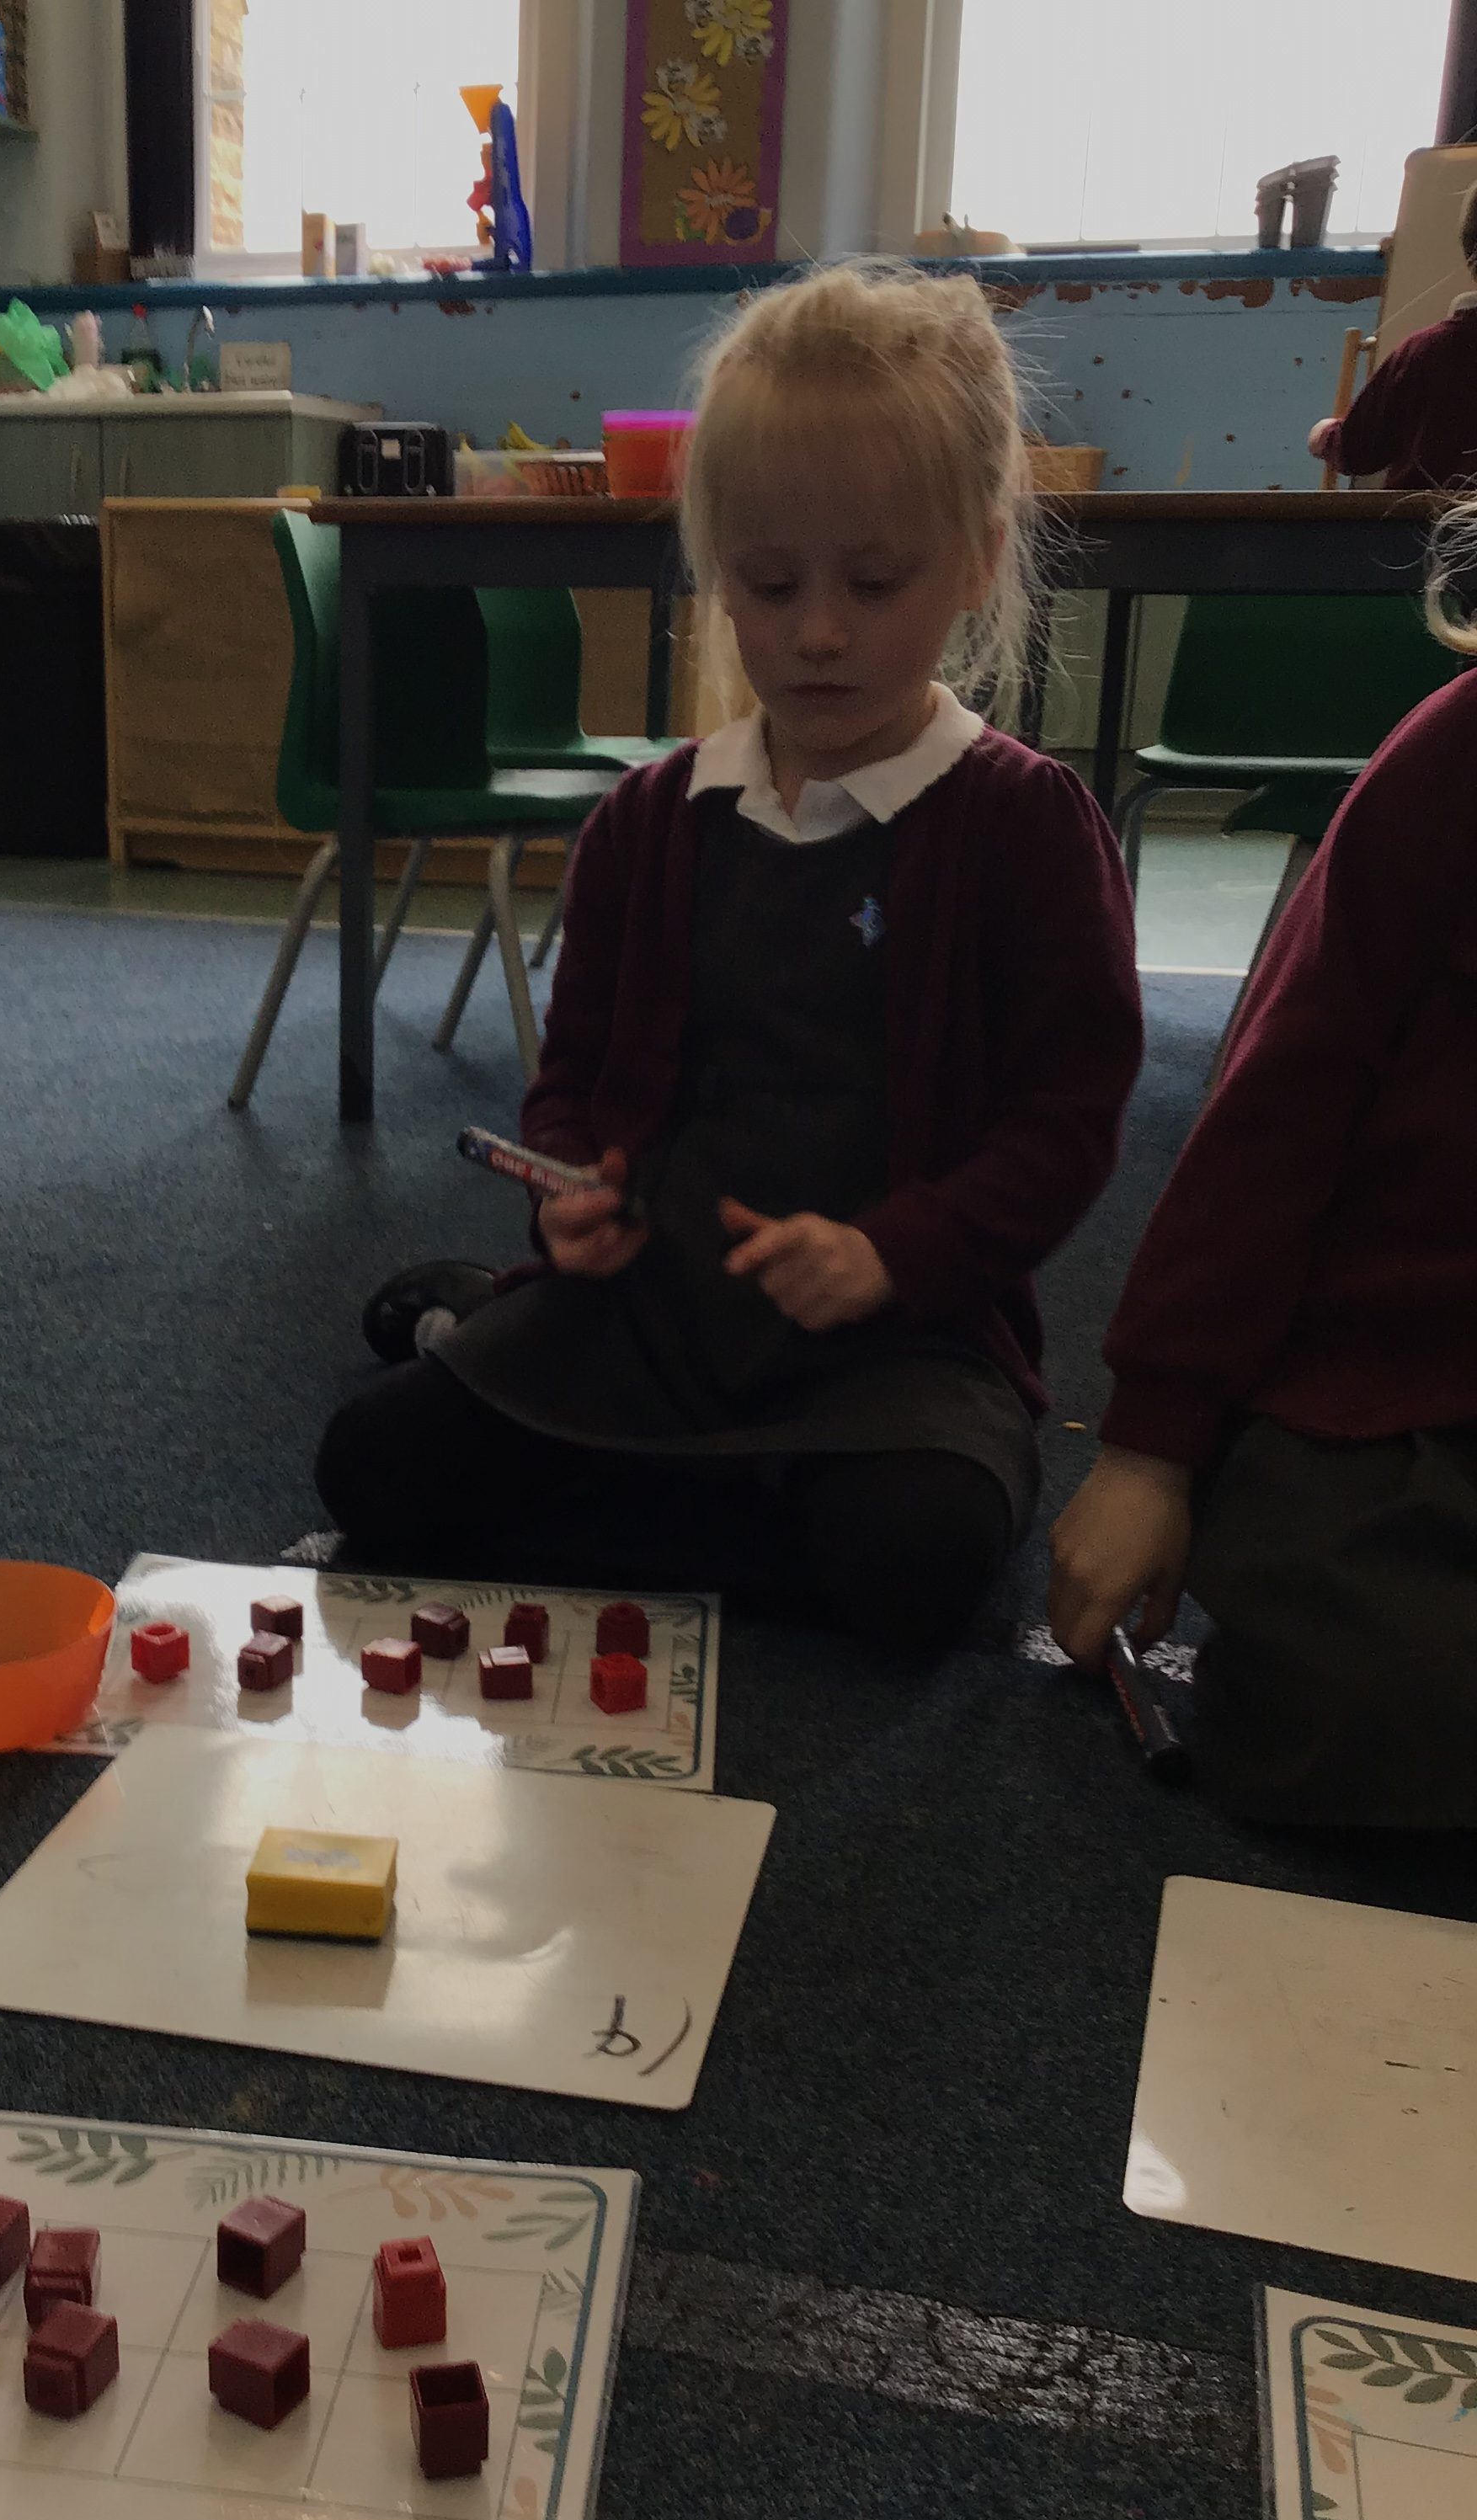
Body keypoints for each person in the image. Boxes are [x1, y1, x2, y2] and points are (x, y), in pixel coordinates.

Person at [314, 262, 1144, 1651]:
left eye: (873, 582)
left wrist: (891, 1253)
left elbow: (1063, 1122)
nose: (817, 630)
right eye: (768, 582)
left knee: (918, 1554)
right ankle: (678, 1466)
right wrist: (565, 1193)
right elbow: (575, 1078)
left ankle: (648, 1484)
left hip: (898, 1338)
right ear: (716, 574)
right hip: (649, 1312)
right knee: (372, 1472)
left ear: (975, 561)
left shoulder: (1020, 823)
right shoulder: (651, 820)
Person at [1048, 512, 1477, 1830]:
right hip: (1389, 1407)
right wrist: (1151, 1450)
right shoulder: (1453, 761)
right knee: (1364, 1711)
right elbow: (1273, 1120)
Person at [1309, 178, 1477, 489]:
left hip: (1420, 521)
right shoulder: (1426, 351)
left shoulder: (1425, 351)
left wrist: (1323, 435)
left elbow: (1357, 451)